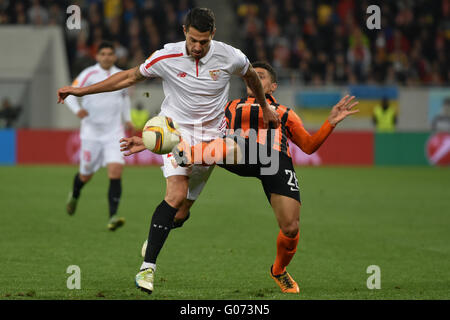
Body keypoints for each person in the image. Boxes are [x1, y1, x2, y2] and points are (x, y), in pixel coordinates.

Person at [57, 8, 280, 294]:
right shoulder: (166, 56)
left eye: (204, 41)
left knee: (182, 213)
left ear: (213, 34)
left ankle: (158, 233)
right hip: (174, 133)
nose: (198, 47)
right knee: (174, 195)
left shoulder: (230, 56)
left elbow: (250, 77)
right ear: (184, 31)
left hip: (212, 139)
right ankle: (147, 269)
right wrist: (80, 92)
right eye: (193, 40)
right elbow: (127, 78)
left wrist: (264, 107)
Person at [124, 61, 359, 293]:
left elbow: (308, 146)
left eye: (261, 76)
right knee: (232, 144)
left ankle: (278, 271)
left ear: (273, 86)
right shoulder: (229, 107)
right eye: (251, 75)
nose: (254, 78)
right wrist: (150, 143)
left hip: (274, 161)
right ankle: (188, 155)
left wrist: (329, 123)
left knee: (290, 227)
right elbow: (195, 125)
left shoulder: (285, 113)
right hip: (235, 152)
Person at [63, 41, 134, 231]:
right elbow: (70, 90)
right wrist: (77, 110)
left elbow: (125, 98)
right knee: (85, 176)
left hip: (114, 133)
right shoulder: (88, 74)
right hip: (91, 134)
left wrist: (127, 119)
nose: (107, 57)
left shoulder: (121, 75)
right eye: (103, 54)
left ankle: (113, 216)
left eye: (110, 54)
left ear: (115, 56)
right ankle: (75, 194)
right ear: (97, 56)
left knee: (116, 172)